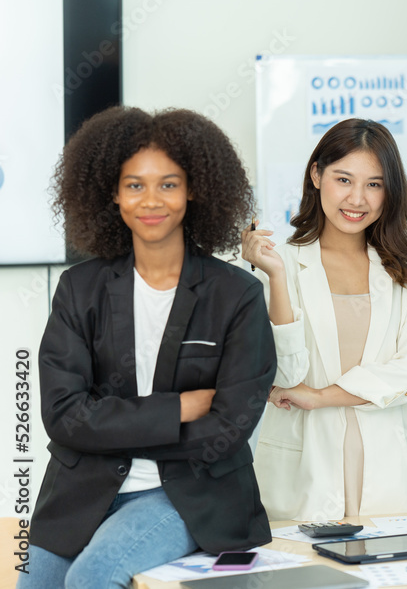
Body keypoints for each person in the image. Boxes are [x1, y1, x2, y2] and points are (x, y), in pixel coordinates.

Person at [25, 107, 276, 589]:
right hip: (82, 492)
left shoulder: (236, 295)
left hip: (188, 495)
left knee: (90, 579)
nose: (151, 200)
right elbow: (63, 416)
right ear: (113, 194)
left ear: (194, 189)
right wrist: (178, 408)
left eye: (168, 183)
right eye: (135, 185)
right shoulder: (79, 289)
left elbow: (229, 428)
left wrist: (109, 421)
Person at [244, 118, 407, 521]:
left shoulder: (404, 271)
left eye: (374, 184)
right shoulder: (281, 264)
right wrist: (276, 277)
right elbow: (286, 374)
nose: (357, 198)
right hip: (303, 469)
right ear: (316, 175)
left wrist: (320, 397)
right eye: (343, 179)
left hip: (387, 471)